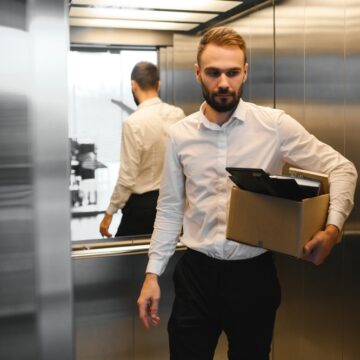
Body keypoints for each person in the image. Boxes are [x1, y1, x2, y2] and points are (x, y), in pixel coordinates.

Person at [137, 27, 357, 360]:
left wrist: (333, 228)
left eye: (232, 72)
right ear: (198, 73)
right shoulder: (179, 135)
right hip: (196, 275)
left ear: (245, 73)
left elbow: (342, 168)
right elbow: (169, 208)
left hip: (253, 276)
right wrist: (153, 274)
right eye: (213, 72)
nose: (223, 82)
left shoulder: (274, 125)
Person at [99, 61, 185, 238]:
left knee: (127, 261)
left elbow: (127, 178)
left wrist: (109, 212)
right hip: (173, 204)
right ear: (158, 85)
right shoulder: (178, 114)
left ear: (133, 85)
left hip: (142, 209)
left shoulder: (133, 123)